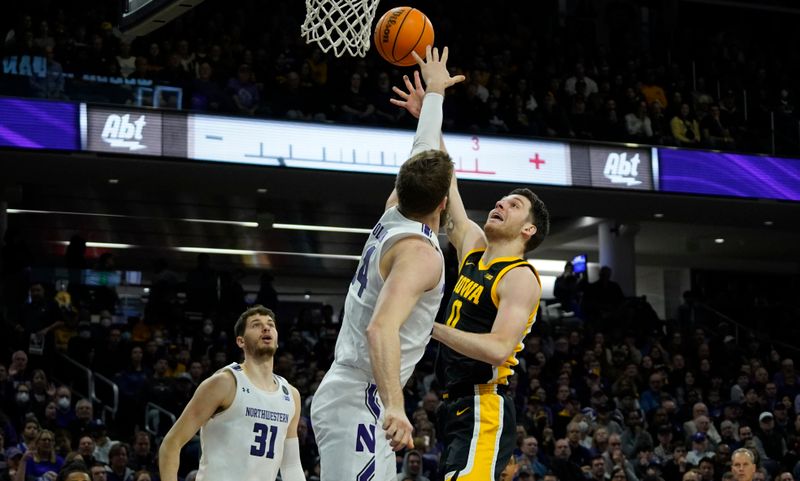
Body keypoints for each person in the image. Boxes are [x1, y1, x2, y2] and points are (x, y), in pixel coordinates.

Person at [393, 47, 550, 481]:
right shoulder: (474, 247)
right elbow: (450, 181)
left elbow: (499, 348)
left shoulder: (520, 278)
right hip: (453, 406)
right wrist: (429, 117)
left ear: (528, 231)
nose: (500, 203)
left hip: (486, 402)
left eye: (513, 205)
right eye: (501, 199)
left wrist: (431, 327)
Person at [311, 46, 463, 481]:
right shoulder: (419, 254)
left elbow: (422, 151)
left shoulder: (394, 208)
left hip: (357, 390)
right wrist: (396, 406)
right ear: (441, 201)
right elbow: (381, 327)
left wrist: (432, 99)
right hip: (361, 395)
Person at [158, 306, 304, 481]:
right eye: (256, 325)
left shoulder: (291, 395)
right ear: (240, 341)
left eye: (270, 325)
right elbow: (171, 443)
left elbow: (291, 465)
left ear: (277, 339)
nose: (266, 328)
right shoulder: (224, 383)